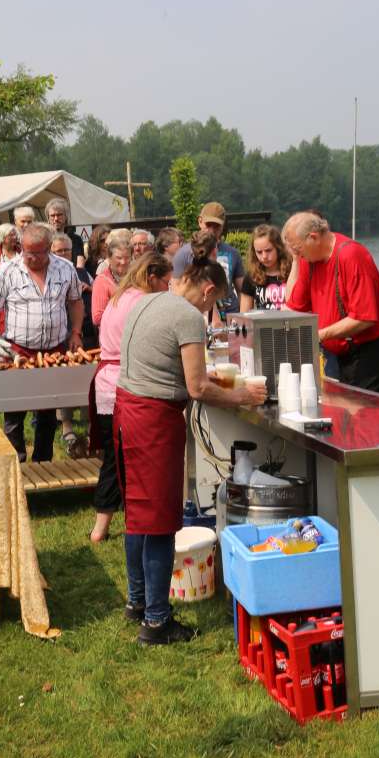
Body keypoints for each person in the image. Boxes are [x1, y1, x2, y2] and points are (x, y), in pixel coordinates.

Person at [115, 232, 266, 645]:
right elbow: (198, 387)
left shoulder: (145, 299)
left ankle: (138, 601)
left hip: (128, 411)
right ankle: (157, 622)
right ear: (209, 289)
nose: (208, 309)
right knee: (162, 522)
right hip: (154, 420)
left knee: (138, 516)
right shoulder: (186, 316)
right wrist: (240, 395)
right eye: (211, 303)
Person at [87, 252, 173, 543]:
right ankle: (105, 526)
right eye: (166, 281)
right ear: (152, 277)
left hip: (108, 384)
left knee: (116, 458)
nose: (168, 288)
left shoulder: (121, 296)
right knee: (122, 459)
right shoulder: (139, 301)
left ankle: (108, 525)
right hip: (122, 385)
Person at [0, 223, 83, 462]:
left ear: (48, 248)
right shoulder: (7, 270)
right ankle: (16, 461)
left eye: (37, 253)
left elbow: (76, 302)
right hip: (18, 350)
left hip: (53, 351)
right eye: (26, 251)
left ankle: (42, 461)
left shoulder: (66, 268)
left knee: (48, 412)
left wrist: (76, 332)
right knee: (14, 413)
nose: (30, 257)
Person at [283, 212, 379, 395]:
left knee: (367, 411)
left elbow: (363, 318)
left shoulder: (351, 255)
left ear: (313, 237)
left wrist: (321, 334)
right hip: (342, 349)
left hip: (373, 347)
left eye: (297, 250)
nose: (297, 255)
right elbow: (294, 306)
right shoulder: (308, 260)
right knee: (344, 410)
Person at [50, 231, 96, 457]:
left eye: (65, 250)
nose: (62, 254)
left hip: (82, 333)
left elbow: (87, 299)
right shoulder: (49, 272)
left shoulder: (80, 272)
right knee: (63, 380)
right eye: (57, 251)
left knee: (86, 379)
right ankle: (66, 426)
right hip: (59, 334)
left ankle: (89, 428)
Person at [172, 202, 244, 315]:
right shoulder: (183, 254)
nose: (211, 230)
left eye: (216, 226)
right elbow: (177, 292)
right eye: (208, 224)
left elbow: (242, 290)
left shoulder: (233, 253)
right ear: (200, 221)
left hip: (230, 313)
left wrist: (242, 317)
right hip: (199, 313)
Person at [240, 224, 291, 313]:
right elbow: (244, 314)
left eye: (268, 250)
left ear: (278, 248)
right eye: (259, 252)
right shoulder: (251, 276)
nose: (264, 256)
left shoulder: (291, 271)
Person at [0, 206, 34, 279]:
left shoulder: (36, 238)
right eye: (23, 221)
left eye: (29, 222)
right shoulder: (5, 235)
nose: (26, 224)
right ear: (15, 221)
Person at [91, 235, 132, 324]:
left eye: (127, 257)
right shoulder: (102, 281)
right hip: (113, 334)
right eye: (119, 258)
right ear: (109, 258)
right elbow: (97, 318)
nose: (123, 262)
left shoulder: (137, 277)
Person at [45, 198, 85, 268]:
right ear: (48, 218)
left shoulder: (76, 239)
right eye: (52, 215)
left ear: (66, 217)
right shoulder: (44, 239)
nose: (56, 219)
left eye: (59, 215)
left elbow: (80, 264)